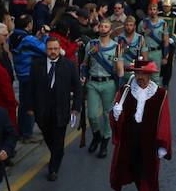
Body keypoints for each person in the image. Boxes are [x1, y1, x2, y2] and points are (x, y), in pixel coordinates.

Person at [109, 59, 172, 191]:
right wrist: (116, 115)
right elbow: (116, 118)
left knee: (146, 176)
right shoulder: (124, 92)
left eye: (143, 73)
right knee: (136, 174)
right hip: (130, 142)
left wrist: (162, 144)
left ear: (150, 75)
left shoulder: (160, 94)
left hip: (149, 143)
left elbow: (164, 120)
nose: (139, 77)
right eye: (137, 73)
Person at [26, 36, 81, 181]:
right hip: (42, 110)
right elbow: (30, 87)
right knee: (48, 137)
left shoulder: (69, 65)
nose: (53, 51)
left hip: (61, 110)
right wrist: (30, 107)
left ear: (59, 49)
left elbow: (77, 87)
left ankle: (53, 168)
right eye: (50, 49)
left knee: (58, 140)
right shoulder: (36, 65)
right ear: (46, 49)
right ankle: (57, 153)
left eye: (55, 49)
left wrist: (76, 106)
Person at [82, 18, 123, 157]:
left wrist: (121, 84)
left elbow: (119, 68)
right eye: (102, 26)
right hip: (93, 82)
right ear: (98, 28)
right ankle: (96, 135)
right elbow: (84, 64)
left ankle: (105, 141)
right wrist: (82, 76)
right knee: (92, 115)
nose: (104, 28)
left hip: (108, 83)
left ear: (110, 30)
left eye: (106, 26)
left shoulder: (116, 47)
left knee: (107, 114)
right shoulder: (91, 44)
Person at [9, 15, 49, 144]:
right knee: (31, 105)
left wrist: (36, 38)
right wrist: (45, 36)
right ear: (29, 25)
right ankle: (27, 134)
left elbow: (28, 48)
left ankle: (22, 131)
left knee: (24, 104)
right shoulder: (28, 39)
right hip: (29, 73)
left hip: (20, 73)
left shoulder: (13, 36)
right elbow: (45, 49)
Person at [140, 2, 168, 85]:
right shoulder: (143, 23)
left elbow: (166, 41)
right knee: (144, 76)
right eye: (150, 9)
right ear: (148, 11)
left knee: (155, 77)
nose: (152, 11)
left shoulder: (163, 24)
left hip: (157, 52)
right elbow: (138, 39)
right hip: (145, 53)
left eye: (154, 9)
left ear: (157, 11)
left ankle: (156, 96)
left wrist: (165, 56)